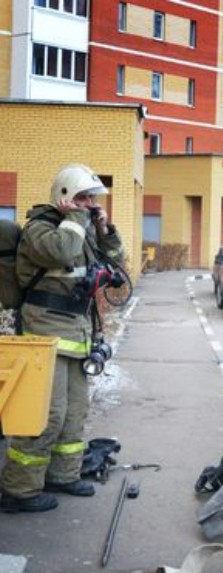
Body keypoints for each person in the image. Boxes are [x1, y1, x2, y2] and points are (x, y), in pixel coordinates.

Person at [0, 164, 124, 513]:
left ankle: (62, 474)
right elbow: (60, 253)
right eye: (83, 198)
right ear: (64, 196)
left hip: (76, 331)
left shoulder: (81, 229)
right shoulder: (41, 229)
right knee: (45, 414)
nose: (89, 205)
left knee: (73, 411)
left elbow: (117, 262)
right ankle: (19, 490)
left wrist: (103, 228)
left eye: (92, 199)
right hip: (44, 331)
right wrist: (77, 222)